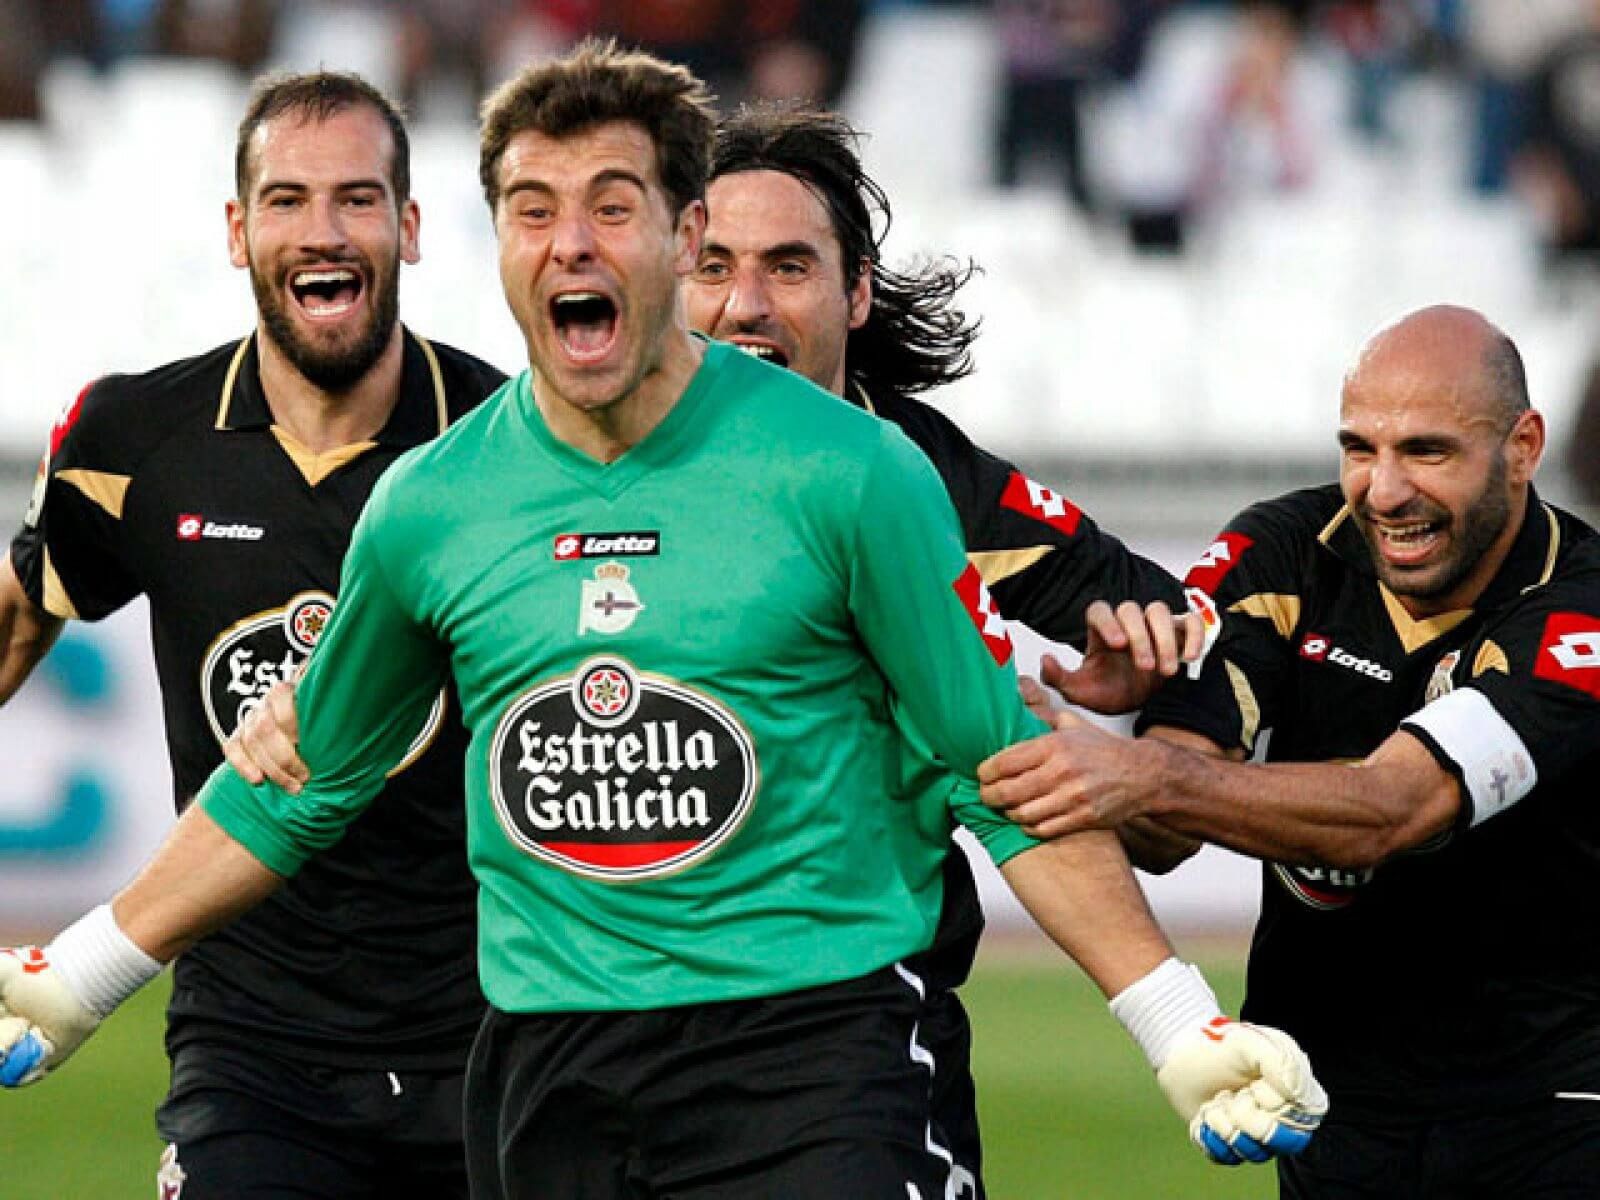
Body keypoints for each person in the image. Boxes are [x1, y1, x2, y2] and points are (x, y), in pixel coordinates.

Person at [0, 40, 1326, 1198]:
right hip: (544, 1067)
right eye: (533, 209)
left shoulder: (853, 473)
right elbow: (304, 777)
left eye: (611, 207)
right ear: (497, 245)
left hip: (810, 1065)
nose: (570, 242)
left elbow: (994, 772)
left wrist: (1173, 1025)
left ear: (682, 242)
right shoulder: (435, 504)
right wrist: (83, 974)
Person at [679, 98, 1202, 1195]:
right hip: (599, 1030)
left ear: (855, 292)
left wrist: (1146, 728)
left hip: (857, 1033)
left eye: (787, 266)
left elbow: (1167, 624)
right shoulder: (566, 454)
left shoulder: (920, 477)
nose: (744, 305)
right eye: (711, 264)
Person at [0, 71, 505, 1198]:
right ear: (237, 231)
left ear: (410, 226)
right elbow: (15, 628)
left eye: (357, 199)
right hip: (253, 1053)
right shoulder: (134, 438)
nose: (320, 232)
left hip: (491, 1036)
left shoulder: (505, 450)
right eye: (285, 200)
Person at [980, 304, 1600, 1198]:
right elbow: (1167, 827)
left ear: (1522, 445)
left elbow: (1393, 809)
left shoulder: (1580, 612)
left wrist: (1140, 775)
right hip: (1333, 1099)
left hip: (1552, 1101)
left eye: (1426, 451)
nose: (1384, 491)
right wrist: (1060, 740)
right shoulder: (1280, 551)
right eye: (1359, 448)